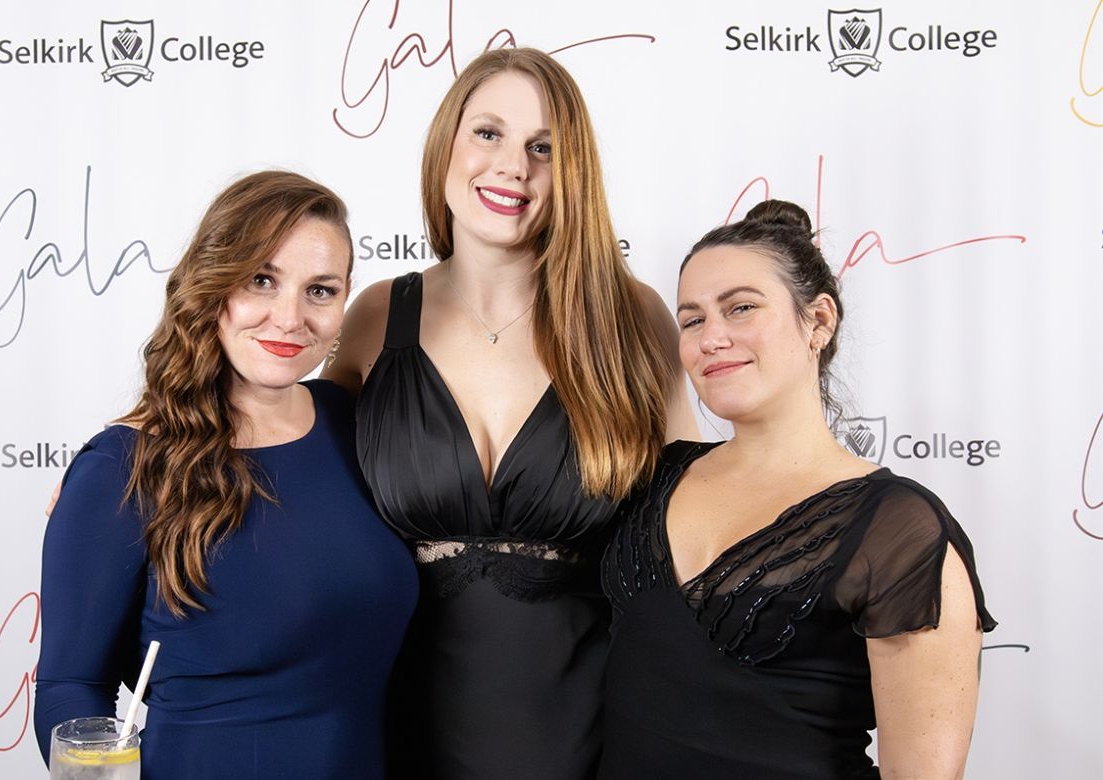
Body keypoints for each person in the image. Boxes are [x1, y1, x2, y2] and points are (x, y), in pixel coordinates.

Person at [325, 48, 696, 778]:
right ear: (446, 146)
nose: (513, 168)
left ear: (572, 171)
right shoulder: (375, 316)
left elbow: (704, 502)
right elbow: (281, 435)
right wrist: (148, 437)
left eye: (543, 148)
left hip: (589, 730)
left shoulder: (631, 317)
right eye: (488, 133)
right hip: (394, 722)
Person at [34, 171, 418, 779]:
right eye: (262, 280)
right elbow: (68, 687)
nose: (289, 318)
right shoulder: (122, 468)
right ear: (214, 286)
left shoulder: (356, 424)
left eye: (320, 290)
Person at [600, 200, 997, 779]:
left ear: (818, 322)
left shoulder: (897, 529)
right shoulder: (651, 477)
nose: (712, 338)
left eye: (740, 309)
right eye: (692, 320)